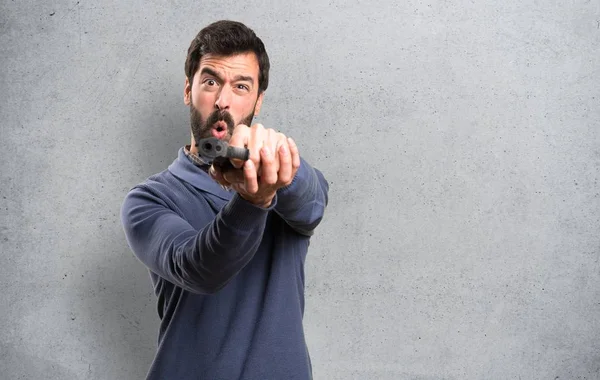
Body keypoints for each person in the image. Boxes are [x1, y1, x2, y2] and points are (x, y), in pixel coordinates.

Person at [120, 20, 329, 380]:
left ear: (258, 100)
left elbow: (312, 207)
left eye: (241, 86)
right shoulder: (148, 200)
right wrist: (253, 201)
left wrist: (278, 168)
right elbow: (199, 269)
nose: (222, 100)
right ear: (189, 89)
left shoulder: (281, 173)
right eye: (211, 81)